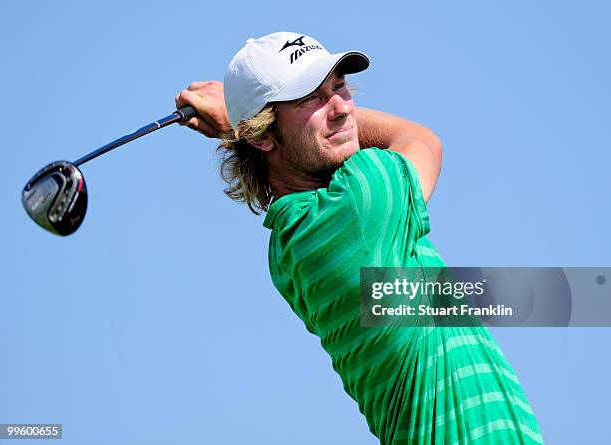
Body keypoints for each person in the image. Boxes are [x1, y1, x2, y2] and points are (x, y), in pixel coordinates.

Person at [175, 32, 545, 445]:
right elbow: (420, 140)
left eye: (339, 88)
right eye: (309, 98)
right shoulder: (357, 205)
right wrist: (235, 118)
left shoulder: (289, 243)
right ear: (262, 134)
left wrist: (242, 123)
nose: (342, 109)